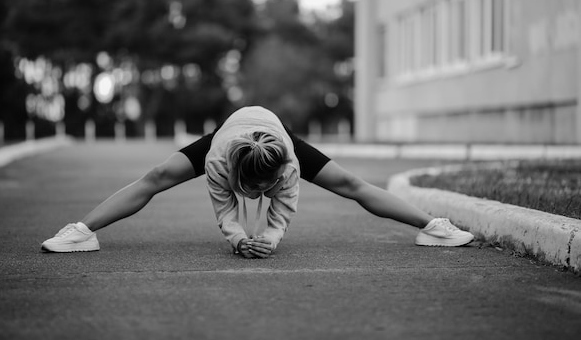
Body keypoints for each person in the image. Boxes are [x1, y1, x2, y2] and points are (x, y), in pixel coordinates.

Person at [41, 106, 474, 257]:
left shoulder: (287, 165)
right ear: (237, 176)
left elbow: (282, 210)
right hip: (230, 134)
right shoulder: (216, 163)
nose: (260, 196)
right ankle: (81, 231)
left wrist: (268, 237)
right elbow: (225, 209)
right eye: (254, 190)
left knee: (350, 183)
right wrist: (236, 238)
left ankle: (433, 226)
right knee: (154, 177)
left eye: (265, 189)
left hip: (273, 134)